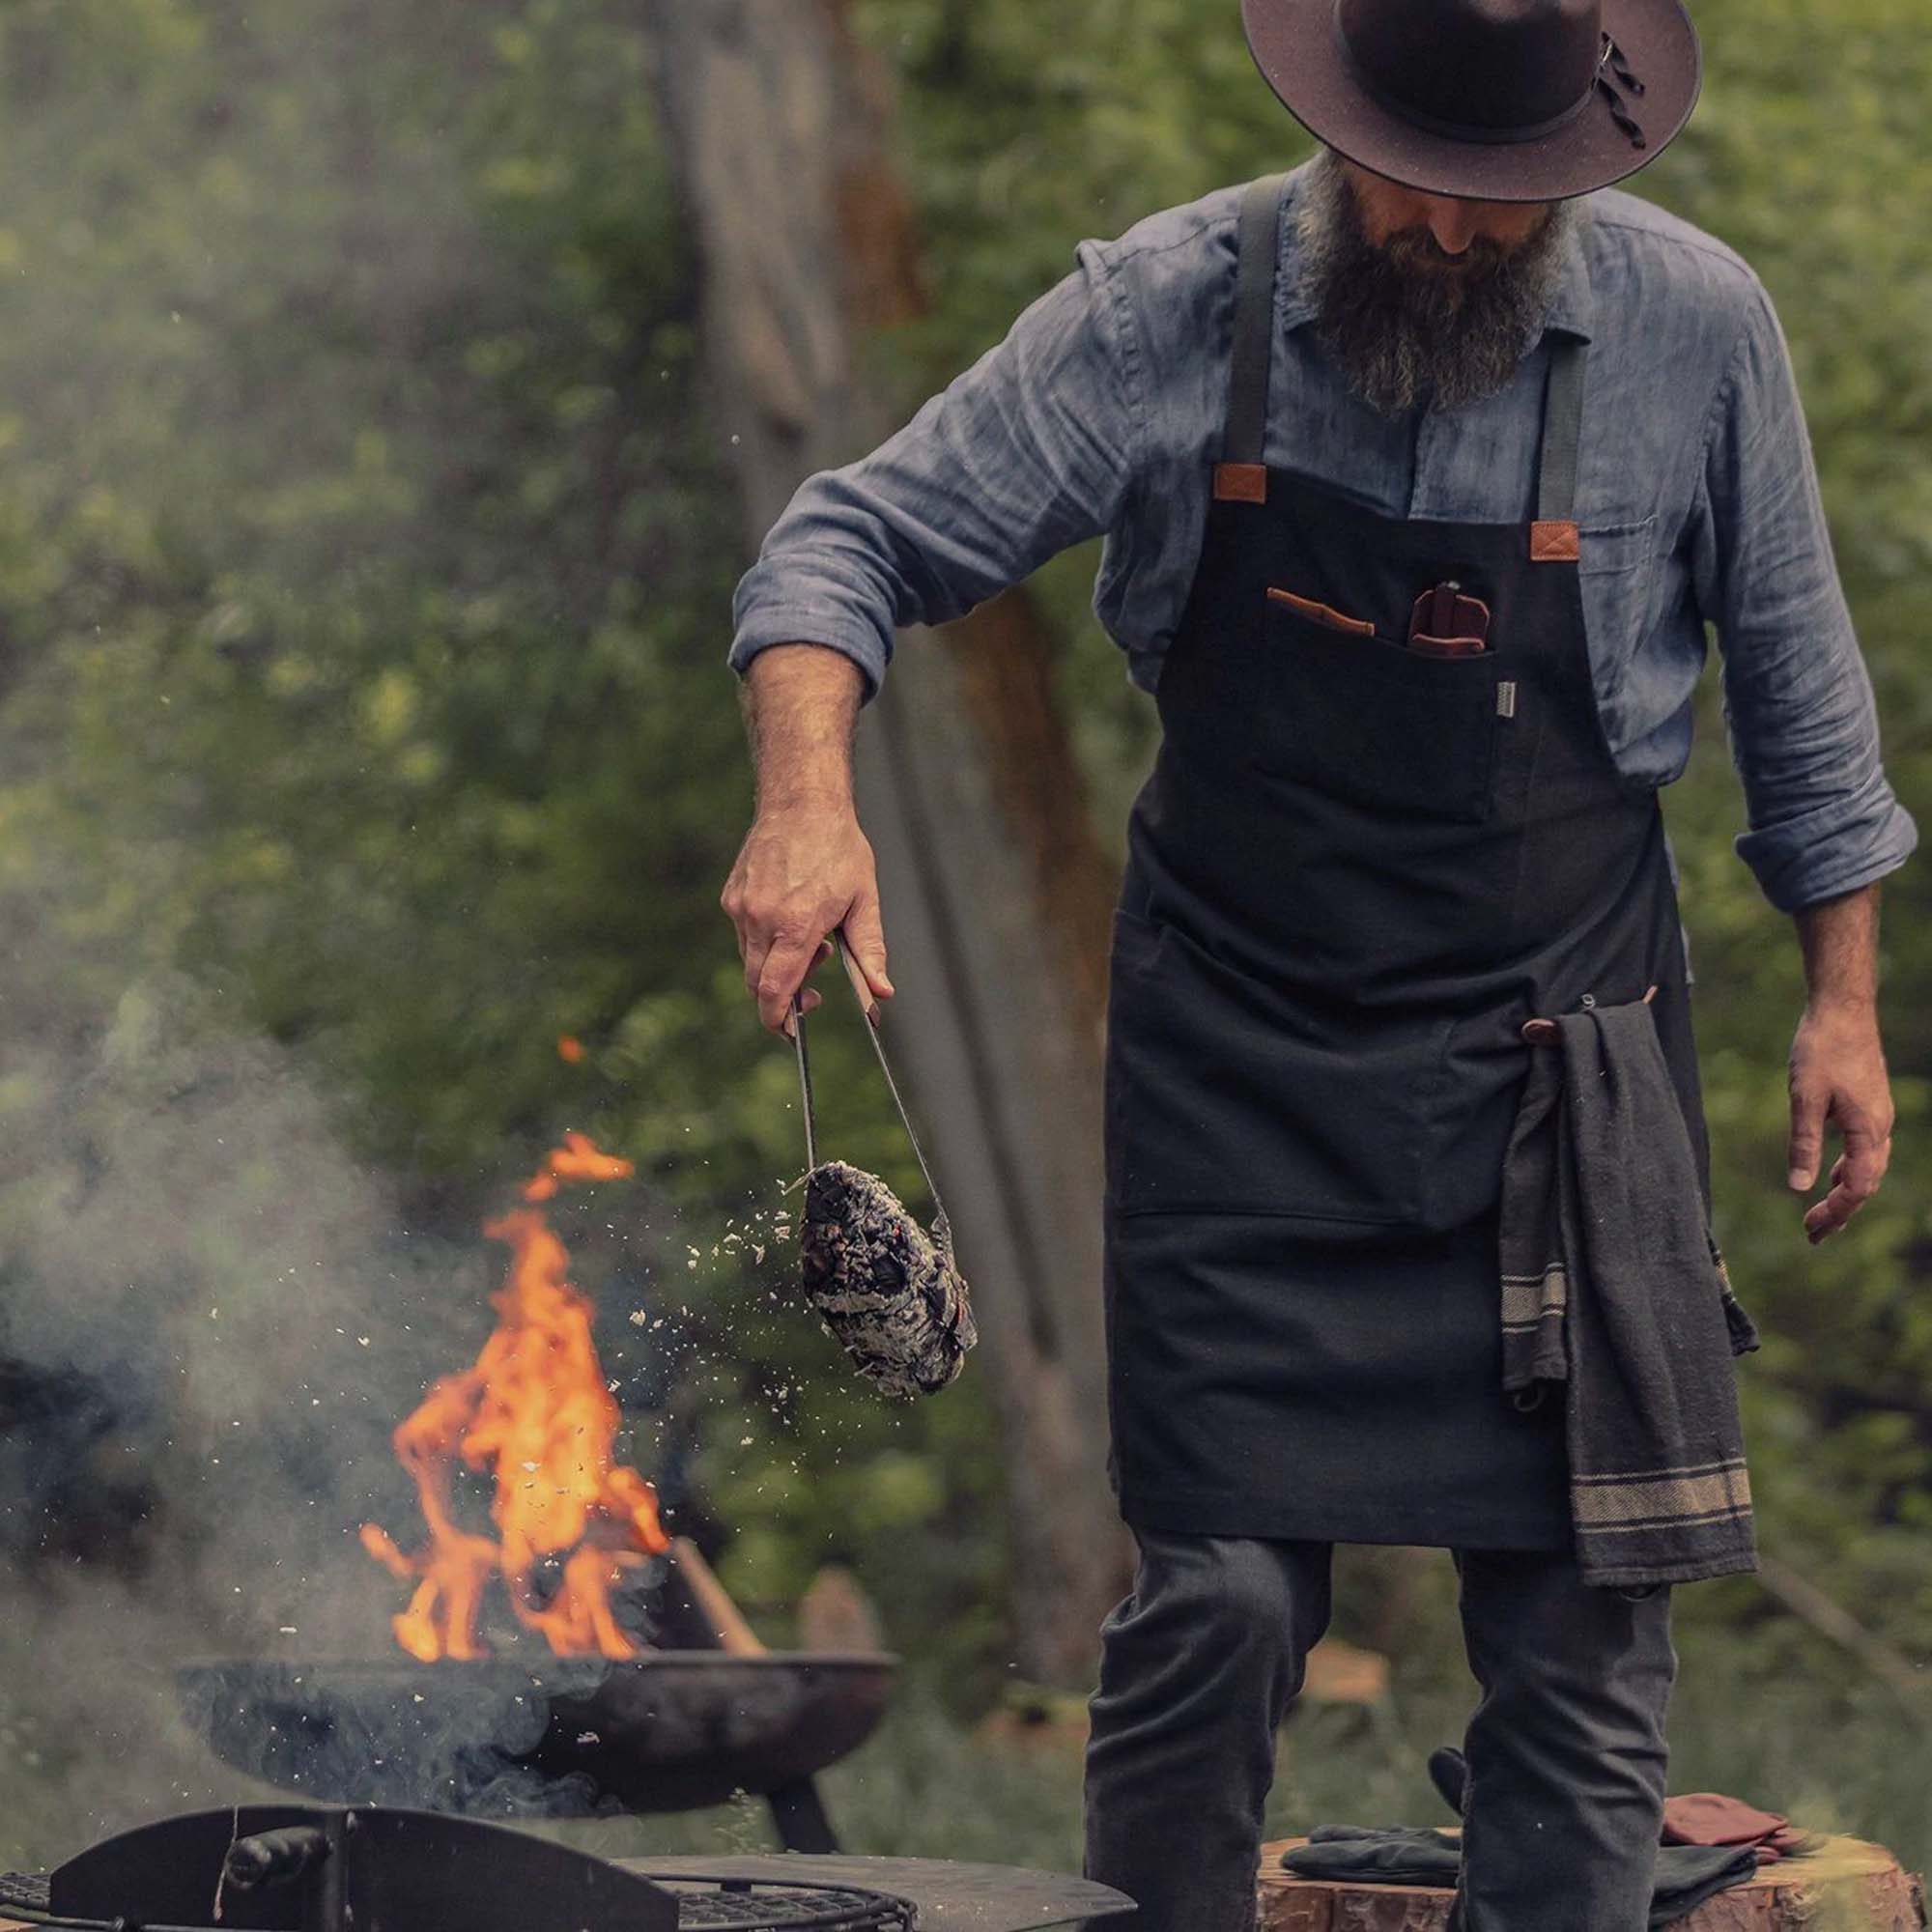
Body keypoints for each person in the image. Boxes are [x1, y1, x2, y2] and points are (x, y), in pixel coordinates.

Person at [718, 0, 1916, 1925]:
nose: (1449, 238)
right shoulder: (1165, 307)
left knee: (1583, 1633)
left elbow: (1802, 702)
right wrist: (803, 802)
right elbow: (847, 539)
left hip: (1561, 1054)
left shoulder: (1699, 330)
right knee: (1212, 1601)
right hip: (1241, 1059)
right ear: (1334, 128)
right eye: (1409, 190)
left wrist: (1840, 1005)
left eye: (1500, 210)